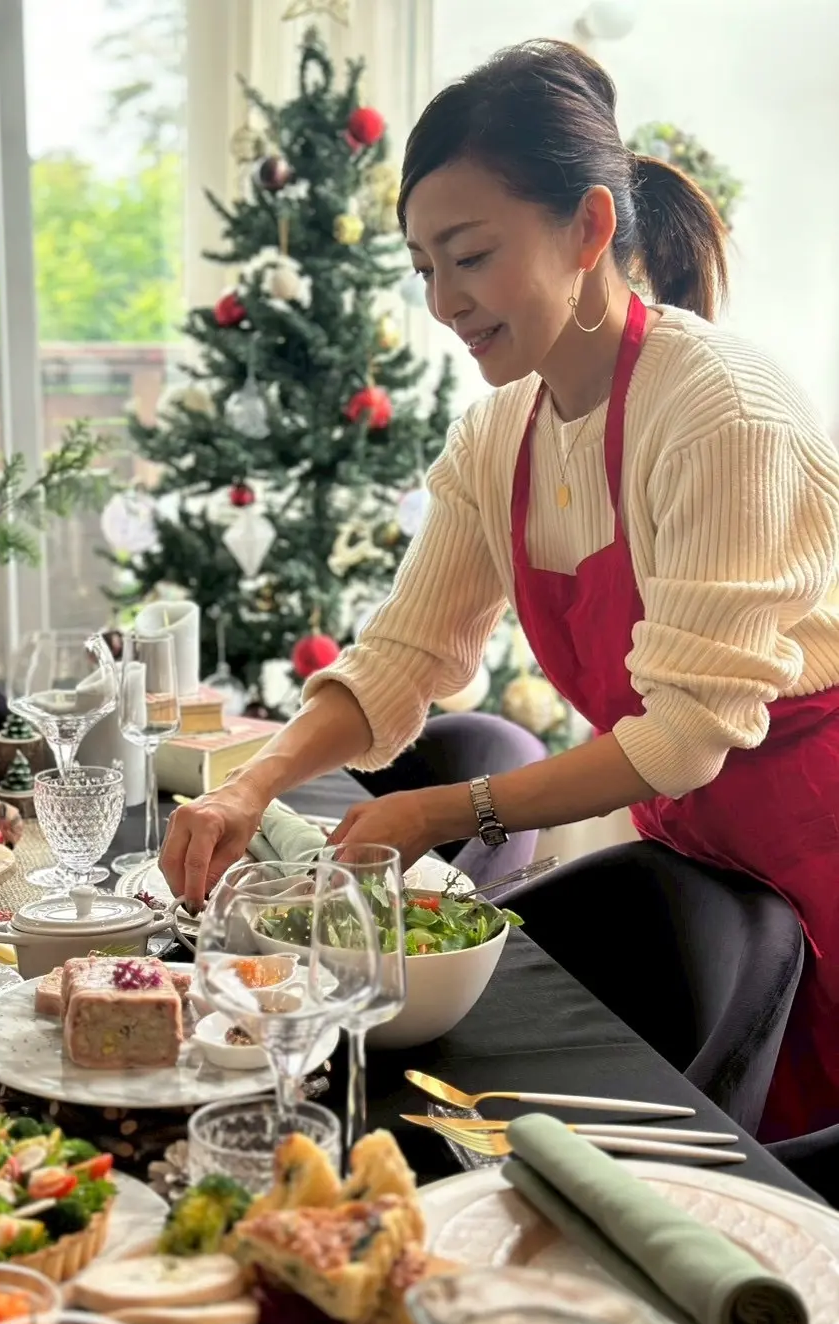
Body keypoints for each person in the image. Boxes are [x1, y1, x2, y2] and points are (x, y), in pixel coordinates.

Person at [160, 39, 839, 1140]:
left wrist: (441, 810)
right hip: (697, 850)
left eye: (470, 256)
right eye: (424, 268)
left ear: (589, 228)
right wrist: (252, 786)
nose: (444, 301)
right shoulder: (499, 434)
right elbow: (402, 660)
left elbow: (681, 736)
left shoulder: (719, 412)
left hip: (817, 842)